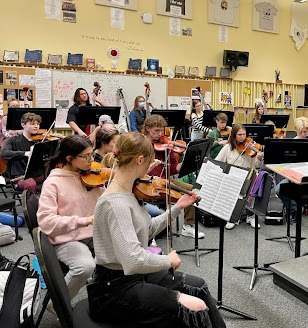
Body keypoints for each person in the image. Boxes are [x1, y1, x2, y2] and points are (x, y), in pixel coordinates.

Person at [88, 132, 225, 328]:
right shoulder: (114, 203)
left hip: (133, 277)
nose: (152, 169)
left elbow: (148, 228)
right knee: (194, 307)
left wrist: (178, 207)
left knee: (198, 286)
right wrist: (167, 261)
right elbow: (133, 261)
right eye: (150, 162)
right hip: (112, 290)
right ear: (140, 159)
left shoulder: (130, 193)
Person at [37, 135, 99, 304]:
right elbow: (46, 222)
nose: (91, 160)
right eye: (86, 156)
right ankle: (57, 303)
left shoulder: (91, 177)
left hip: (93, 235)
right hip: (66, 239)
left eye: (91, 155)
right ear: (70, 158)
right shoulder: (53, 183)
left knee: (126, 249)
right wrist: (83, 220)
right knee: (85, 267)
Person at [143, 115, 204, 239]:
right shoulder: (141, 145)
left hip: (166, 181)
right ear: (148, 129)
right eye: (156, 131)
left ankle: (188, 226)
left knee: (192, 190)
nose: (160, 134)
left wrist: (187, 158)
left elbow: (174, 169)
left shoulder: (166, 146)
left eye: (161, 131)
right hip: (147, 182)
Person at [275, 117, 308, 243]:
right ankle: (293, 210)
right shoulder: (292, 144)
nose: (304, 134)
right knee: (278, 190)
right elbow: (285, 164)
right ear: (296, 131)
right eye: (301, 132)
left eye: (306, 132)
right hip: (295, 177)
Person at [215, 124, 263, 230]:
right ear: (234, 136)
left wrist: (259, 158)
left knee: (253, 186)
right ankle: (232, 217)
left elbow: (257, 166)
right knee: (231, 187)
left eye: (244, 134)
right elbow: (218, 163)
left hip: (248, 176)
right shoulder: (227, 148)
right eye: (239, 135)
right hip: (233, 177)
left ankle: (250, 216)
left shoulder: (250, 148)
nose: (242, 137)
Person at [0, 112, 44, 193]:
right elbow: (4, 153)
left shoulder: (41, 141)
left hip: (39, 174)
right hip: (21, 176)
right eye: (32, 124)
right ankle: (32, 204)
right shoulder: (13, 140)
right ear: (23, 125)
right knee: (30, 185)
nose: (36, 126)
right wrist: (24, 153)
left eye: (38, 124)